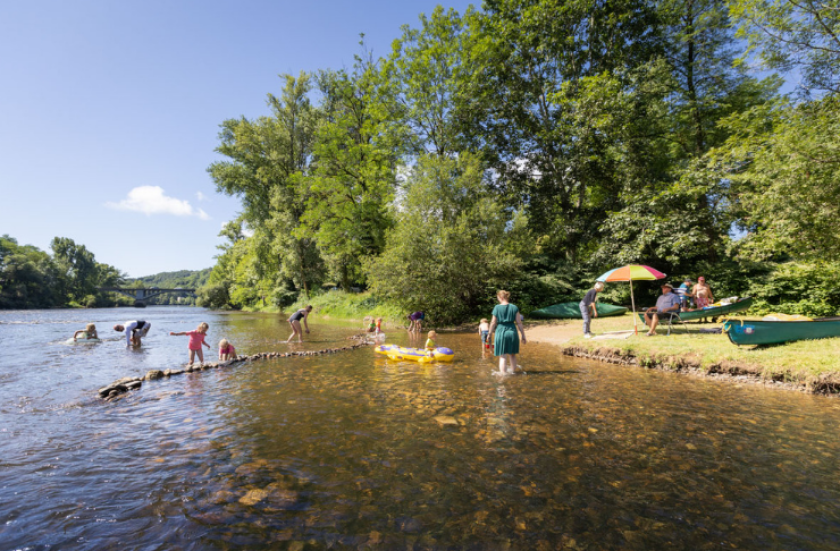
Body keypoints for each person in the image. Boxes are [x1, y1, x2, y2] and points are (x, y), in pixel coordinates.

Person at [487, 290, 527, 375]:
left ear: (501, 297)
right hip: (512, 332)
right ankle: (513, 372)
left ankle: (503, 375)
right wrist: (523, 335)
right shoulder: (514, 307)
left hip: (500, 332)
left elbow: (493, 322)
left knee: (503, 355)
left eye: (497, 298)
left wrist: (489, 334)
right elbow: (519, 322)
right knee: (512, 354)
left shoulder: (497, 308)